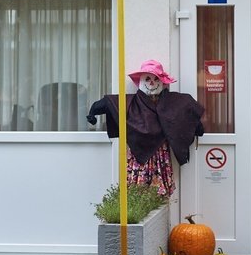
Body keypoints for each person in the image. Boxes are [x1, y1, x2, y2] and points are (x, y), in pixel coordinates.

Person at [87, 60, 204, 197]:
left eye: (155, 79)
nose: (152, 83)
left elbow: (187, 110)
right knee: (137, 193)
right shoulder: (131, 103)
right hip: (139, 153)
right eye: (147, 79)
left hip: (160, 153)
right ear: (141, 81)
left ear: (162, 81)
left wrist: (197, 128)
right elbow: (108, 103)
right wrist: (92, 113)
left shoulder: (172, 102)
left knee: (157, 195)